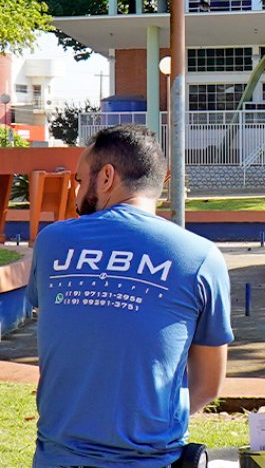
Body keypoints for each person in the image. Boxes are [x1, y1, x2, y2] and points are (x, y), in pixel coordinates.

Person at [27, 124, 234, 468]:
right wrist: (146, 428)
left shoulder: (53, 242)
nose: (76, 194)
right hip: (149, 460)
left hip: (56, 459)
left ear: (106, 177)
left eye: (80, 181)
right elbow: (209, 384)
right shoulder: (200, 257)